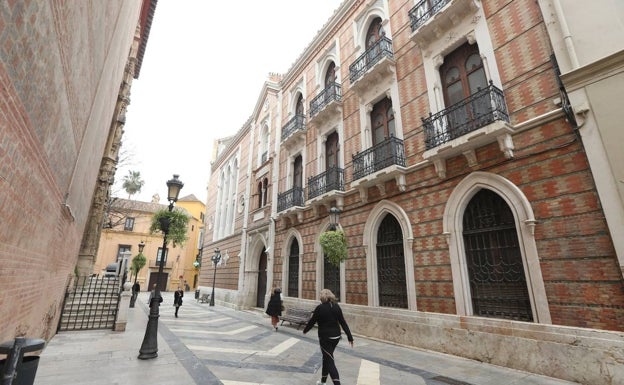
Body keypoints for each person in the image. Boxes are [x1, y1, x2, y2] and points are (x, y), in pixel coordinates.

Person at [303, 289, 354, 385]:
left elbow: (312, 321)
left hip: (325, 338)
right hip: (336, 337)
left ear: (322, 297)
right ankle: (323, 381)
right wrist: (350, 337)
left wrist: (305, 330)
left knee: (329, 360)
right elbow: (343, 322)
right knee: (326, 357)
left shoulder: (320, 308)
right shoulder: (336, 307)